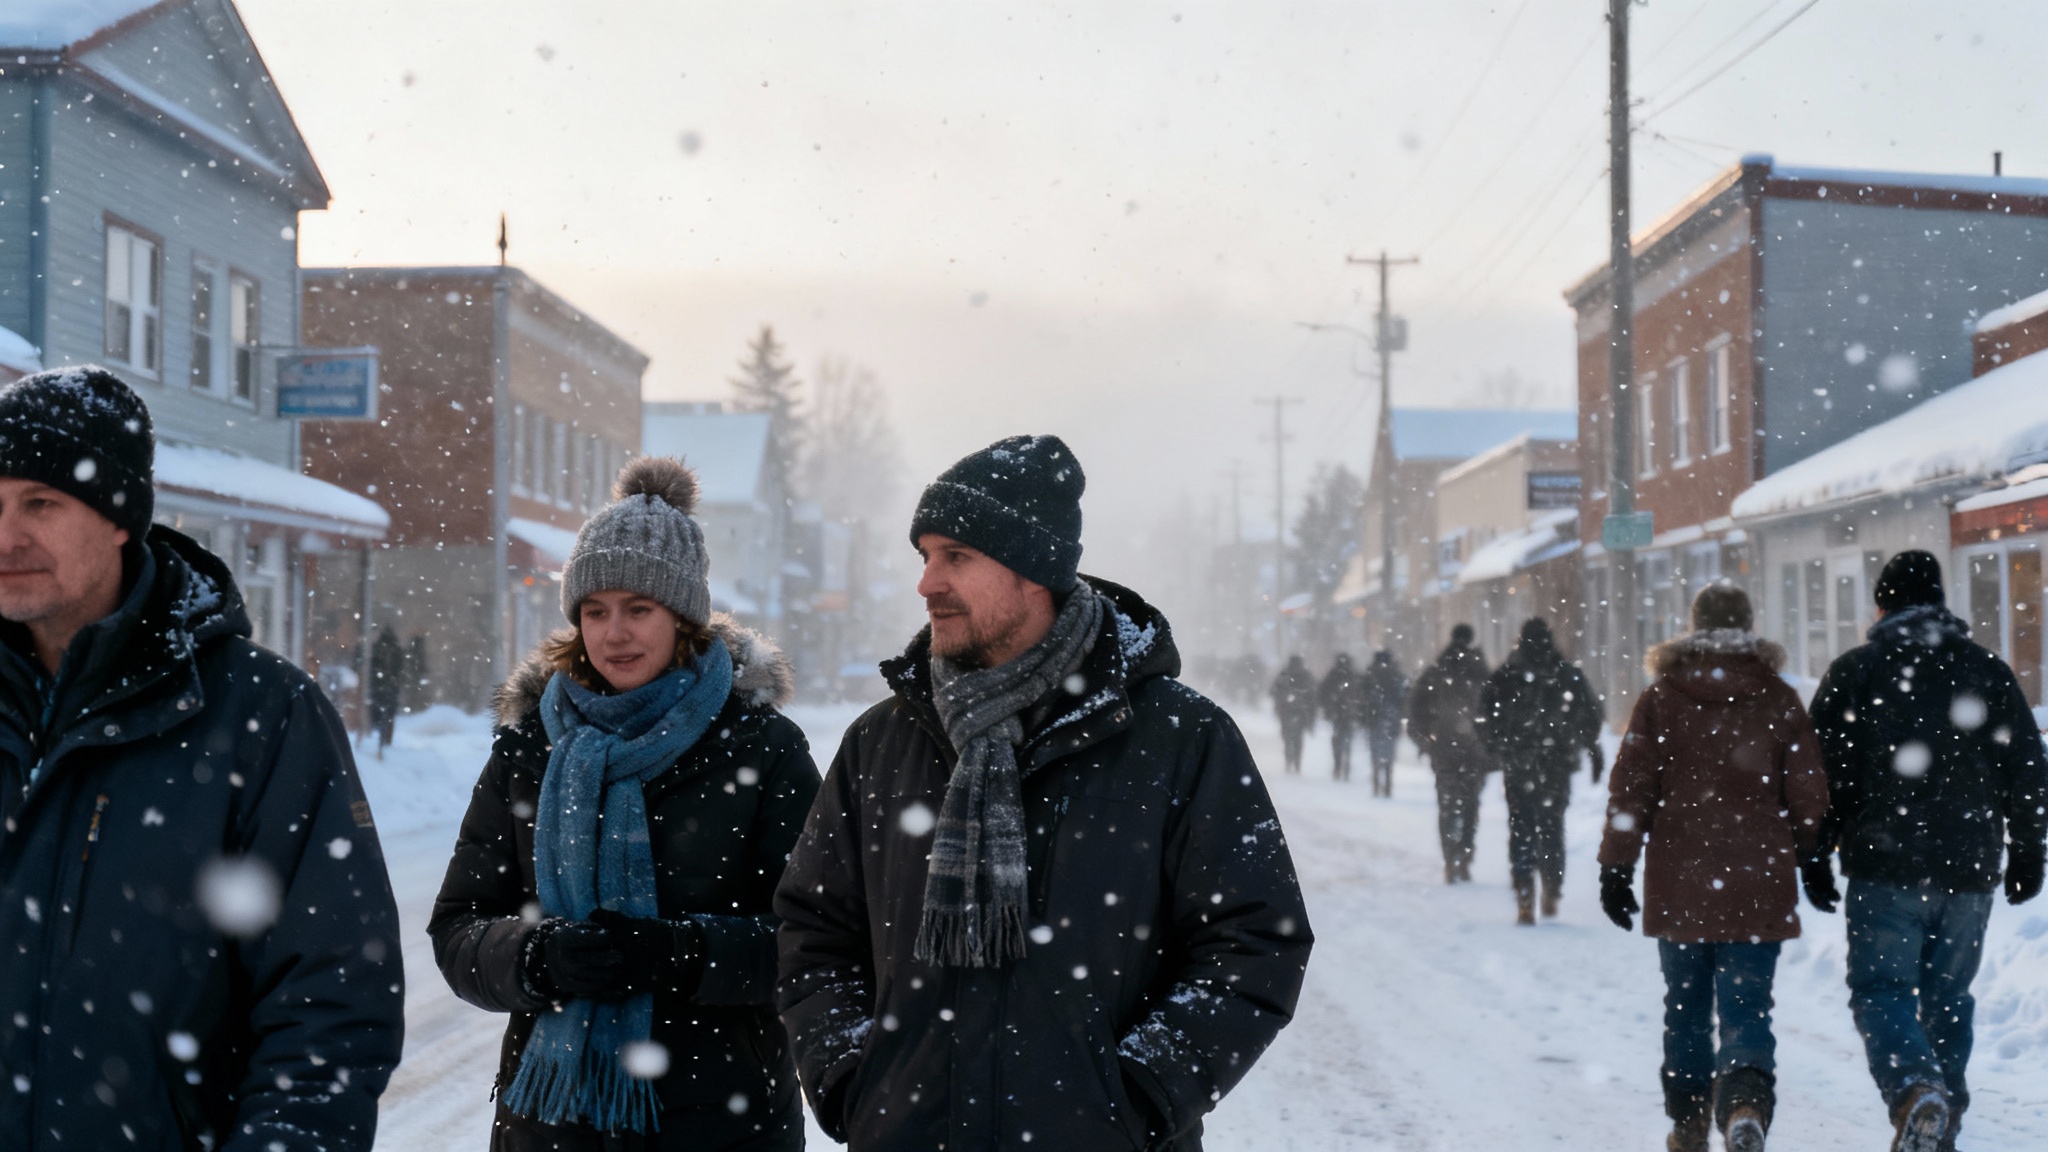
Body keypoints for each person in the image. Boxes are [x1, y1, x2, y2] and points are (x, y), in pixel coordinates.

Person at [776, 435, 1312, 1151]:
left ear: (1035, 574)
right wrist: (852, 1077)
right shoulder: (883, 743)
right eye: (925, 556)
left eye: (956, 557)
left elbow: (1255, 941)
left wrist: (1141, 1096)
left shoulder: (1180, 738)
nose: (927, 583)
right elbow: (813, 930)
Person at [0, 367, 404, 1151]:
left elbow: (331, 1002)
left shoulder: (260, 716)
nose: (6, 536)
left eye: (40, 504)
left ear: (121, 517)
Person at [430, 457, 821, 1150]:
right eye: (595, 611)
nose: (614, 634)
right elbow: (459, 927)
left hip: (720, 1121)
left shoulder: (763, 749)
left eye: (639, 610)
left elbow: (812, 942)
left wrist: (680, 953)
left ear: (685, 619)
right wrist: (533, 958)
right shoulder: (529, 749)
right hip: (552, 1124)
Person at [1808, 551, 2047, 1152]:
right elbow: (2026, 768)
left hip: (1884, 864)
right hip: (1968, 866)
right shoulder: (1986, 671)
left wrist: (1813, 849)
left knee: (1881, 990)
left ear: (1882, 605)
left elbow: (1820, 775)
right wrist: (2028, 848)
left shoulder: (1856, 672)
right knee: (1949, 997)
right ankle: (1940, 1123)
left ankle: (1916, 1091)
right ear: (1940, 602)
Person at [1598, 586, 1830, 1152]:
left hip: (1681, 881)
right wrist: (1814, 854)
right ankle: (1745, 1104)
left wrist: (1616, 867)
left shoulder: (1661, 699)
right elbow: (1807, 790)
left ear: (1693, 627)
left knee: (1686, 1007)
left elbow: (1632, 790)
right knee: (1748, 1005)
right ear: (1749, 627)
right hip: (1758, 878)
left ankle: (1689, 1121)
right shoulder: (1777, 697)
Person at [1479, 617, 1603, 924]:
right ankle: (1551, 885)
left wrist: (1499, 748)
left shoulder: (1507, 675)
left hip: (1519, 764)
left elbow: (1485, 717)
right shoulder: (1567, 675)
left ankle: (1524, 888)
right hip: (1556, 765)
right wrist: (1584, 744)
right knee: (1551, 826)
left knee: (1521, 827)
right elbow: (1590, 715)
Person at [1407, 623, 1492, 883]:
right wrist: (1490, 744)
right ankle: (1465, 853)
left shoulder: (1436, 671)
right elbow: (1494, 712)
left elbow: (1415, 712)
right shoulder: (1481, 672)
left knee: (1446, 806)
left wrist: (1426, 742)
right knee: (1470, 806)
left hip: (1443, 750)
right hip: (1474, 752)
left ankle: (1449, 858)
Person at [1360, 649, 1408, 798]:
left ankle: (1376, 781)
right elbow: (1404, 697)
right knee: (1389, 753)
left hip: (1374, 719)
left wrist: (1363, 717)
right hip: (1392, 720)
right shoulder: (1396, 675)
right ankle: (1387, 782)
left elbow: (1362, 697)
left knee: (1375, 752)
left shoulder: (1370, 674)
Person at [1270, 653, 1318, 774]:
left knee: (1287, 738)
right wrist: (1311, 714)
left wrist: (1279, 705)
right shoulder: (1306, 675)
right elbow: (1313, 696)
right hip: (1301, 712)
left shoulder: (1284, 674)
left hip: (1285, 712)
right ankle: (1297, 761)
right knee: (1298, 738)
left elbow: (1273, 691)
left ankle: (1288, 760)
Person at [1319, 651, 1362, 781]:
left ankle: (1338, 763)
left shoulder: (1332, 674)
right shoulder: (1354, 675)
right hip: (1350, 713)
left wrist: (1328, 708)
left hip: (1336, 714)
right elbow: (1361, 694)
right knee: (1347, 738)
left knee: (1337, 739)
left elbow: (1322, 692)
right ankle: (1346, 763)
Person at [368, 624, 405, 755]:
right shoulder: (397, 650)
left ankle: (377, 742)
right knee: (387, 716)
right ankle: (383, 742)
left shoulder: (376, 648)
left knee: (377, 715)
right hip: (389, 688)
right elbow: (400, 670)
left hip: (378, 688)